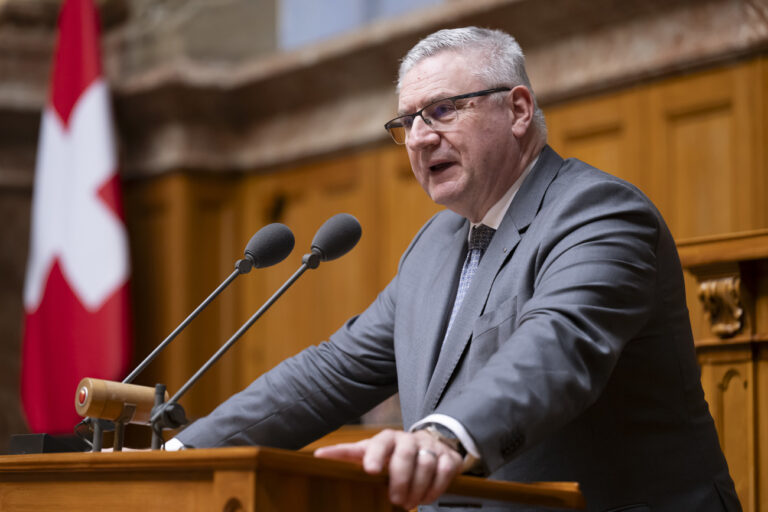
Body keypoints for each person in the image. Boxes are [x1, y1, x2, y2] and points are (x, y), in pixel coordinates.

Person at [171, 27, 741, 511]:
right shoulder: (434, 245)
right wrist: (180, 458)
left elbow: (556, 346)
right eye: (406, 123)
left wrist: (443, 437)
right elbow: (332, 371)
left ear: (517, 109)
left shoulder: (600, 213)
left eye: (442, 110)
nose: (419, 138)